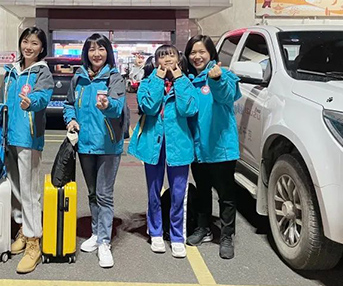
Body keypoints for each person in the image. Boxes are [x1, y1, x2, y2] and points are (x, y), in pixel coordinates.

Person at [128, 45, 199, 258]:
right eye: (162, 56)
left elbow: (188, 109)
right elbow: (149, 107)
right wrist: (159, 79)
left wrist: (179, 79)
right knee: (154, 192)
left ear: (179, 59)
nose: (167, 59)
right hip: (153, 145)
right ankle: (156, 232)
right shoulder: (147, 83)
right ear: (156, 61)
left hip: (179, 146)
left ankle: (177, 236)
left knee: (178, 194)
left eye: (171, 55)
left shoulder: (187, 82)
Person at [63, 33, 126, 268]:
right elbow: (69, 104)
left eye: (101, 49)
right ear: (86, 53)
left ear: (107, 52)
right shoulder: (78, 78)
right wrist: (71, 119)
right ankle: (96, 232)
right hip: (85, 145)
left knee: (104, 195)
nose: (96, 54)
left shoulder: (114, 78)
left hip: (108, 145)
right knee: (92, 193)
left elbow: (117, 107)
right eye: (92, 49)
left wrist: (107, 105)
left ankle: (104, 243)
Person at [183, 35, 242, 259]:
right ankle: (203, 228)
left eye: (202, 52)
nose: (197, 56)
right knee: (203, 191)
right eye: (193, 52)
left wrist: (216, 79)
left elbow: (227, 96)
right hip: (199, 149)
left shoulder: (223, 75)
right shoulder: (188, 81)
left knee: (226, 195)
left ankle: (226, 236)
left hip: (220, 148)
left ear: (211, 54)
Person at [1, 27, 54, 274]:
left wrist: (31, 102)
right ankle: (23, 228)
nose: (29, 47)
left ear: (42, 48)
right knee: (15, 187)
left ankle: (34, 242)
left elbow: (43, 97)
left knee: (30, 191)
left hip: (29, 137)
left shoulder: (42, 72)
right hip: (8, 136)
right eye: (25, 41)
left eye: (34, 43)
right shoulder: (12, 70)